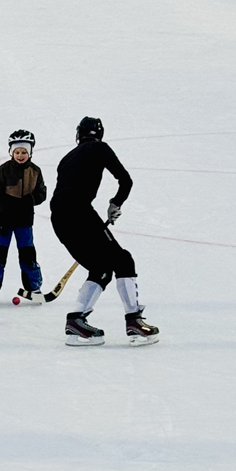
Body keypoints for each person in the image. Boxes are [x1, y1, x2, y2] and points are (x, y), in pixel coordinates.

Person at [50, 117, 156, 346]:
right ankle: (134, 321)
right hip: (80, 212)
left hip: (58, 218)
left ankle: (76, 322)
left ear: (78, 134)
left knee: (101, 268)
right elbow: (125, 180)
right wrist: (116, 203)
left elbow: (67, 192)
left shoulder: (66, 158)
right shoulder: (100, 147)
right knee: (124, 261)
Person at [0, 129, 47, 305]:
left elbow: (42, 193)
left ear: (30, 152)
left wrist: (32, 199)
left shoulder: (35, 171)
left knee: (28, 255)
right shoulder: (3, 171)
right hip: (4, 220)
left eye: (24, 152)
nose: (20, 155)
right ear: (11, 152)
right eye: (17, 152)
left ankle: (33, 287)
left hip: (24, 220)